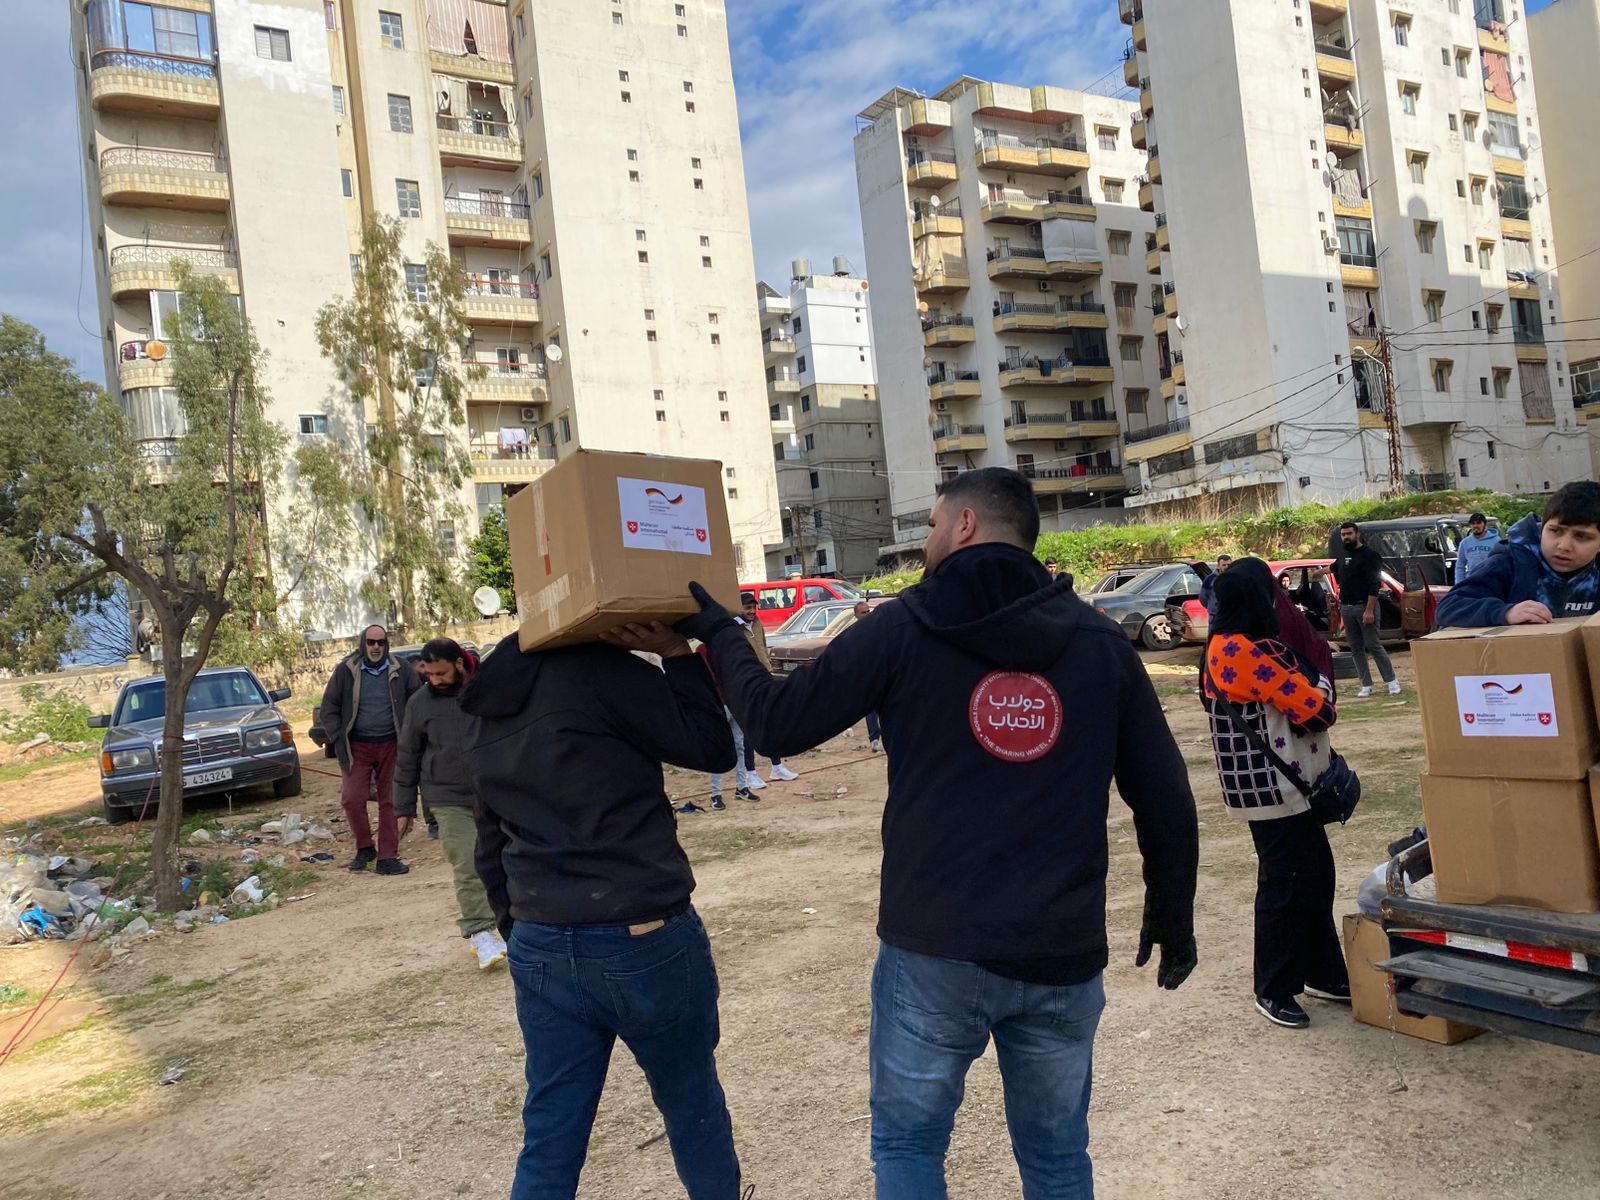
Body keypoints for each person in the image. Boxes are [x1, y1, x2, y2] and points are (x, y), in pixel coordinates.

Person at [608, 466, 1199, 1199]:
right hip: (1060, 950)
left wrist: (717, 634)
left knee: (910, 1146)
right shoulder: (1098, 643)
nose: (925, 542)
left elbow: (775, 724)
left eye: (929, 527)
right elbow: (1166, 796)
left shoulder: (904, 627)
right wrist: (1174, 919)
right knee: (1056, 1159)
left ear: (965, 526)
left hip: (934, 949)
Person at [462, 634, 745, 1199]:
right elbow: (715, 747)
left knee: (550, 1135)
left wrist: (519, 932)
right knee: (692, 1108)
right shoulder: (604, 673)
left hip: (541, 936)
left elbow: (488, 844)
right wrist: (680, 657)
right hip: (641, 934)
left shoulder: (487, 703)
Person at [1202, 562, 1348, 1029]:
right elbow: (1316, 709)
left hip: (1271, 786)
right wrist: (1321, 685)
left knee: (1312, 877)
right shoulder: (1250, 652)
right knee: (1286, 886)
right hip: (1278, 788)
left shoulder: (1218, 648)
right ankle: (1273, 987)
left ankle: (1322, 971)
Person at [394, 638, 506, 970]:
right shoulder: (419, 704)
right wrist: (403, 810)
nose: (435, 681)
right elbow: (407, 757)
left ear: (459, 664)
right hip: (446, 798)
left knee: (506, 860)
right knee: (468, 863)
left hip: (494, 791)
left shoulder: (489, 689)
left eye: (441, 673)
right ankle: (481, 933)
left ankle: (517, 926)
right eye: (429, 674)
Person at [320, 624, 421, 875]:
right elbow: (329, 707)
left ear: (387, 645)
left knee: (390, 801)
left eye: (381, 642)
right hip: (357, 747)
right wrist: (338, 737)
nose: (376, 647)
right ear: (362, 644)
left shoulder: (402, 669)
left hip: (392, 745)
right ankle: (365, 847)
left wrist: (412, 735)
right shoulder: (346, 670)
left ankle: (387, 857)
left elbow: (418, 701)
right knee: (352, 798)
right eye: (371, 642)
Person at [1437, 483, 1600, 627]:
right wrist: (1505, 612)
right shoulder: (1510, 562)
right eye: (1555, 531)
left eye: (1582, 536)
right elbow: (1448, 607)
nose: (1564, 546)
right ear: (1542, 528)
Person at [1332, 523, 1400, 698]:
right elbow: (1334, 569)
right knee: (1355, 648)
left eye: (1349, 533)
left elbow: (1375, 584)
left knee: (1373, 644)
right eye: (1343, 534)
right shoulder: (1343, 555)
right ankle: (1366, 684)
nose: (1346, 537)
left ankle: (1391, 681)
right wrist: (1316, 574)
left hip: (1364, 606)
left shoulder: (1370, 555)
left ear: (1357, 534)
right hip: (1346, 607)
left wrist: (1369, 610)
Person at [737, 592, 796, 785]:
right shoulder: (735, 628)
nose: (752, 611)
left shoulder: (757, 624)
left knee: (771, 721)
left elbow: (762, 646)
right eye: (748, 608)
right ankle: (750, 773)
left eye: (754, 607)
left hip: (765, 676)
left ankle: (777, 766)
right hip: (747, 682)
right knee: (748, 728)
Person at [853, 600, 883, 752]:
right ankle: (874, 739)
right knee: (870, 710)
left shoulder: (878, 629)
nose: (866, 615)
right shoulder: (853, 633)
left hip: (881, 673)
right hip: (865, 676)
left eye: (868, 612)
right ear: (856, 615)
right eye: (863, 613)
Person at [1453, 512, 1500, 584]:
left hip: (1491, 583)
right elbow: (1460, 565)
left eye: (1479, 523)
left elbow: (1502, 563)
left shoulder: (1497, 541)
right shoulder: (1465, 543)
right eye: (1473, 523)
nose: (1476, 526)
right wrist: (1459, 583)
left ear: (1485, 525)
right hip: (1472, 582)